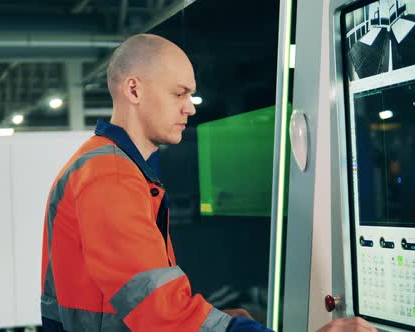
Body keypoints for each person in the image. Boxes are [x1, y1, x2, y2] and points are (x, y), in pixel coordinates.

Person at [40, 33, 376, 332]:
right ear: (134, 89)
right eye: (178, 94)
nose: (190, 108)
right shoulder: (111, 177)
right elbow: (162, 315)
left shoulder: (112, 165)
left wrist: (221, 319)